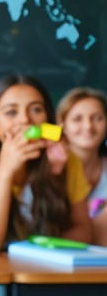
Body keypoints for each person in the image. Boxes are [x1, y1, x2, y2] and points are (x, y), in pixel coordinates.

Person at [0, 75, 91, 255]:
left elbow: (84, 231)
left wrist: (56, 177)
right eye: (11, 112)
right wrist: (5, 173)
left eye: (36, 109)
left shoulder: (67, 160)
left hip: (41, 272)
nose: (25, 120)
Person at [56, 87, 107, 245]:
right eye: (77, 119)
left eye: (97, 118)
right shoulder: (47, 169)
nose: (88, 127)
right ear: (61, 124)